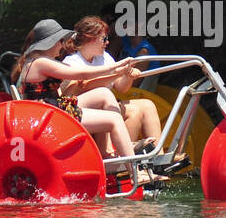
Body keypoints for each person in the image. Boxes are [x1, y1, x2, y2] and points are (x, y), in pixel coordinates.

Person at [10, 19, 158, 184]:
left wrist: (118, 71)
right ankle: (135, 173)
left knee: (103, 93)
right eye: (59, 41)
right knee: (114, 119)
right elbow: (81, 74)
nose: (62, 45)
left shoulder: (35, 60)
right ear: (49, 43)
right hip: (51, 118)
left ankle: (110, 151)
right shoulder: (41, 62)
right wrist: (116, 68)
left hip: (50, 111)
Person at [61, 15, 163, 148]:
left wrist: (127, 76)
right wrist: (116, 73)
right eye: (104, 39)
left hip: (108, 105)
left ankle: (159, 156)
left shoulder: (105, 58)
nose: (107, 42)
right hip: (82, 111)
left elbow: (121, 88)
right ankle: (123, 156)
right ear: (90, 39)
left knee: (147, 105)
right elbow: (83, 87)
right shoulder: (72, 62)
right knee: (134, 112)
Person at [100, 3, 161, 71]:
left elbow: (134, 80)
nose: (124, 26)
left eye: (128, 22)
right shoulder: (126, 42)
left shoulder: (144, 52)